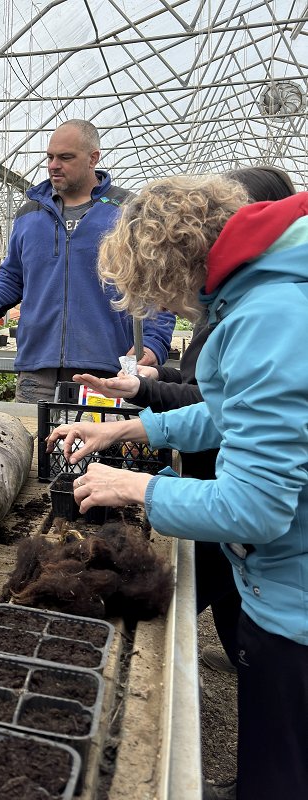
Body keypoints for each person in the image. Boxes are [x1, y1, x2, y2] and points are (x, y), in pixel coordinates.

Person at [48, 174, 308, 800]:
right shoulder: (269, 291)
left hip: (297, 605)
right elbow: (224, 412)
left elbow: (256, 506)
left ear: (171, 266)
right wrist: (124, 432)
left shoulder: (269, 316)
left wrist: (133, 488)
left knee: (282, 772)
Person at [0, 119, 175, 403]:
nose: (54, 165)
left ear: (94, 158)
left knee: (98, 446)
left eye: (66, 157)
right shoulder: (29, 215)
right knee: (37, 443)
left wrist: (153, 344)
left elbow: (158, 288)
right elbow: (12, 279)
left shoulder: (129, 212)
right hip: (37, 368)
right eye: (50, 157)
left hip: (108, 370)